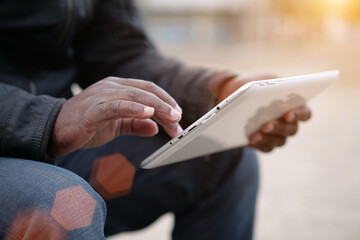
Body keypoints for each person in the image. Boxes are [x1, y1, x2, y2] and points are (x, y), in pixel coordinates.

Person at [0, 0, 311, 239]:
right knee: (64, 204)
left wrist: (219, 89)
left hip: (59, 148)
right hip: (32, 146)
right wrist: (47, 119)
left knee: (218, 155)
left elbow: (119, 53)